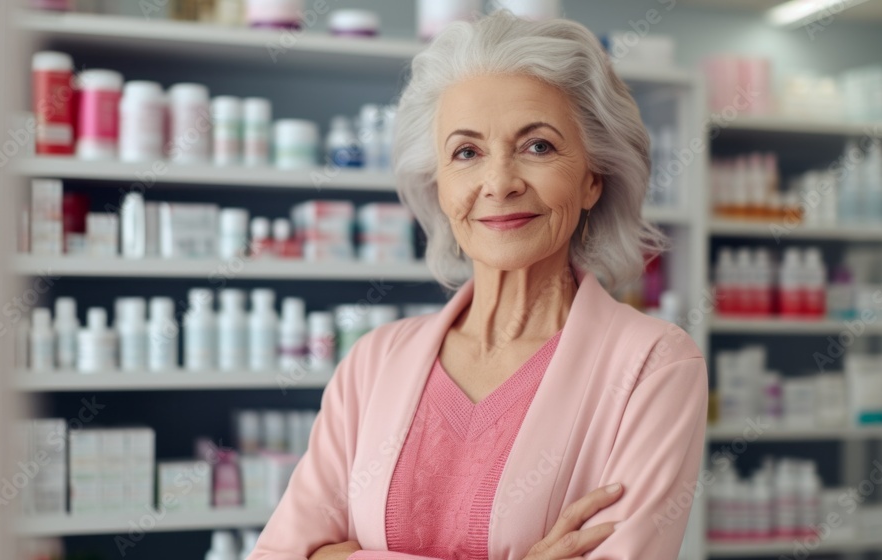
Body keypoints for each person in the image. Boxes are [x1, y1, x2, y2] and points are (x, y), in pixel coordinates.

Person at [248, 10, 707, 560]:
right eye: (467, 153)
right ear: (438, 183)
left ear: (592, 178)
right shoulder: (372, 364)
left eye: (538, 146)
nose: (498, 184)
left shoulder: (652, 367)